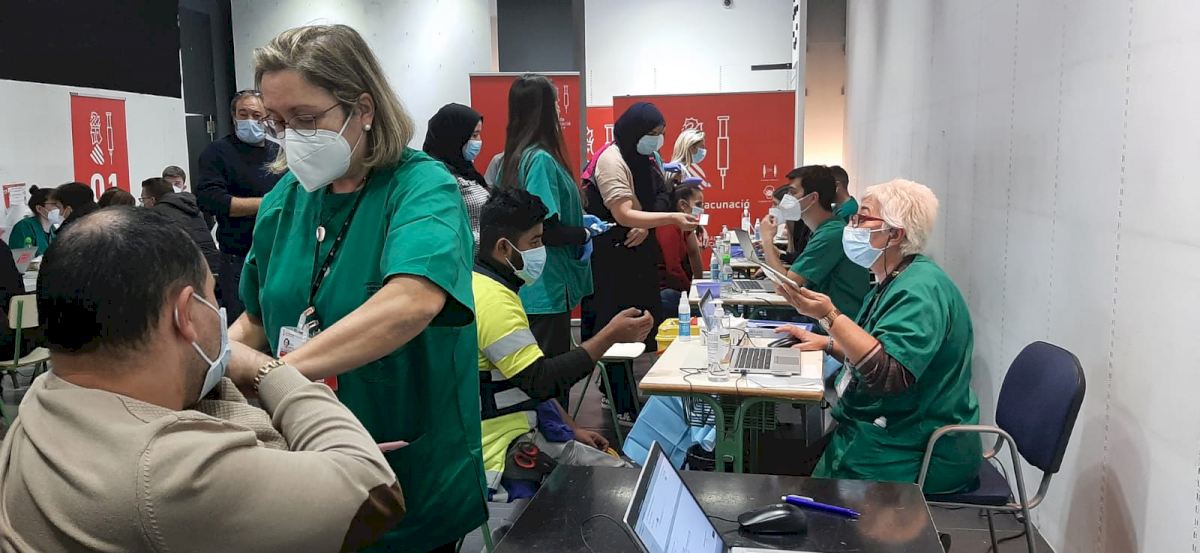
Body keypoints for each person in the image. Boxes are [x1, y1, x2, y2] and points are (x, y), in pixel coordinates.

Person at [0, 208, 404, 552]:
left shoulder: (42, 398)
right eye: (212, 295)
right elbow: (374, 490)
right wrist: (269, 371)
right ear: (186, 313)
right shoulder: (166, 471)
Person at [234, 25, 486, 552]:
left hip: (403, 466)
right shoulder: (285, 201)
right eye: (278, 122)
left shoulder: (421, 188)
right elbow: (257, 318)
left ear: (363, 108)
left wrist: (274, 376)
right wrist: (203, 361)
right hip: (305, 460)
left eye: (306, 119)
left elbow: (412, 301)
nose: (290, 136)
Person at [773, 179, 981, 494]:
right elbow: (875, 348)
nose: (850, 226)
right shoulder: (894, 279)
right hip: (881, 428)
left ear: (895, 234)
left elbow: (889, 374)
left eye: (862, 218)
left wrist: (829, 316)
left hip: (912, 446)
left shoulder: (919, 291)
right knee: (791, 468)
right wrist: (828, 343)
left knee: (806, 497)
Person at [473, 188, 652, 501]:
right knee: (630, 486)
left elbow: (524, 379)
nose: (541, 251)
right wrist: (609, 336)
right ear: (503, 247)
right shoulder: (494, 302)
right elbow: (541, 380)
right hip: (500, 450)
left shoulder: (487, 286)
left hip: (525, 428)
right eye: (535, 242)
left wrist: (571, 428)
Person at [497, 74, 594, 401]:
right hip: (545, 288)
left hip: (534, 285)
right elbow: (545, 228)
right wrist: (583, 232)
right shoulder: (539, 159)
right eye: (554, 105)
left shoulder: (515, 157)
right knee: (550, 383)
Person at [583, 102, 697, 350]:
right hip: (614, 258)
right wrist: (670, 218)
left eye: (660, 133)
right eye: (651, 134)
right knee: (615, 334)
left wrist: (645, 224)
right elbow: (624, 214)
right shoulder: (611, 160)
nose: (657, 140)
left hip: (643, 256)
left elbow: (662, 195)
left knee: (646, 329)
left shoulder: (650, 157)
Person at [195, 89, 282, 319]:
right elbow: (211, 200)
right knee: (244, 320)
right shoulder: (218, 152)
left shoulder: (278, 153)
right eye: (243, 114)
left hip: (276, 255)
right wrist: (267, 204)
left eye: (257, 115)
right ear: (233, 116)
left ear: (267, 118)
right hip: (238, 257)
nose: (250, 120)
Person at [759, 165, 870, 320]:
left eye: (793, 193)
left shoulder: (831, 234)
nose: (787, 199)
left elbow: (785, 287)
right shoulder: (822, 230)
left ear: (812, 198)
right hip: (823, 318)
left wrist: (766, 240)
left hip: (837, 322)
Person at [423, 103, 490, 248]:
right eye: (474, 135)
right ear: (455, 136)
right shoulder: (439, 179)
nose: (478, 141)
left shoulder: (467, 171)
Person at [141, 177, 225, 280]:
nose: (142, 204)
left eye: (143, 199)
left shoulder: (156, 215)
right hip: (214, 269)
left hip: (190, 274)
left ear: (152, 200)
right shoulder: (190, 206)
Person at [656, 184, 704, 316]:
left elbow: (694, 253)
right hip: (665, 292)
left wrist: (699, 285)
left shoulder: (685, 228)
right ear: (683, 205)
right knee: (704, 313)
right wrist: (691, 292)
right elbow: (673, 270)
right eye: (698, 205)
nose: (702, 210)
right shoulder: (668, 227)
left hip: (677, 289)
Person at [6, 186, 60, 256]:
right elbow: (19, 259)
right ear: (39, 208)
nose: (60, 208)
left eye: (61, 204)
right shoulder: (24, 227)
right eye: (55, 204)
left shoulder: (54, 230)